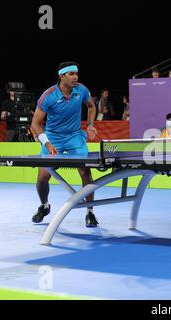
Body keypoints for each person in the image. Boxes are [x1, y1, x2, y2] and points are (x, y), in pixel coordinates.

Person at [30, 62, 99, 228]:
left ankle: (90, 212)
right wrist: (47, 143)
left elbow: (91, 106)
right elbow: (35, 124)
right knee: (42, 178)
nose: (75, 77)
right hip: (53, 139)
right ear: (62, 76)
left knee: (86, 173)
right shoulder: (49, 96)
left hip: (75, 136)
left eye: (77, 73)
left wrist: (90, 124)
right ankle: (44, 206)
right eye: (71, 74)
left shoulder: (81, 89)